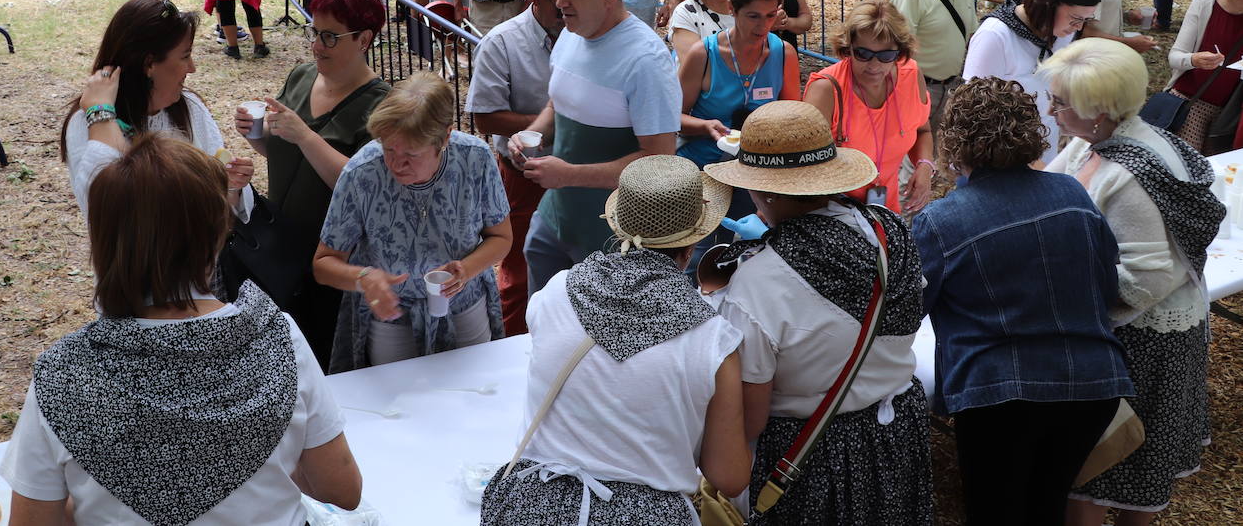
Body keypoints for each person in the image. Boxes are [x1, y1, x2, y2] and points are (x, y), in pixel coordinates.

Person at [2, 134, 364, 526]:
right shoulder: (276, 338)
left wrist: (90, 496)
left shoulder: (62, 373)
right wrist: (269, 454)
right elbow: (341, 490)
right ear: (214, 238)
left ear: (103, 242)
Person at [480, 155, 749, 525]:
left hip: (530, 505)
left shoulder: (557, 291)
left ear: (619, 227)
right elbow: (730, 476)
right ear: (693, 243)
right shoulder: (714, 341)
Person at [912, 77, 1133, 525]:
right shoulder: (1071, 193)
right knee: (1046, 505)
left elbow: (905, 310)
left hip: (1001, 394)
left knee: (997, 512)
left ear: (955, 142)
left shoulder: (940, 220)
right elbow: (1108, 285)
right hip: (1093, 384)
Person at [706, 100, 933, 526]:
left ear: (763, 189)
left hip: (813, 456)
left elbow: (751, 419)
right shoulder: (890, 232)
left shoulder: (757, 282)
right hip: (897, 431)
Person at [1042, 39, 1222, 526]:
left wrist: (1072, 312)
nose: (1052, 110)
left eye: (1061, 101)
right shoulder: (1096, 137)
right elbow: (1051, 187)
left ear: (1099, 109)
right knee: (1106, 461)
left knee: (1109, 461)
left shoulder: (1130, 174)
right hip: (1131, 331)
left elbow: (1146, 278)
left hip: (1144, 340)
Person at [233, 0, 392, 365]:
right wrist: (256, 134)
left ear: (364, 39)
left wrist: (303, 134)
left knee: (321, 355)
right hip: (278, 246)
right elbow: (284, 151)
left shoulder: (382, 105)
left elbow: (359, 186)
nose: (317, 45)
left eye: (330, 37)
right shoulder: (303, 76)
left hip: (331, 259)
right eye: (313, 32)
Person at [313, 72, 512, 371]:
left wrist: (467, 269)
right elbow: (323, 263)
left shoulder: (475, 158)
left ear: (444, 138)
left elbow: (501, 238)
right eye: (389, 148)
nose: (395, 164)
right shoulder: (362, 172)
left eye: (411, 154)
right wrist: (363, 277)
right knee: (399, 405)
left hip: (465, 305)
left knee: (478, 390)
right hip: (393, 315)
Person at [512, 0, 680, 292]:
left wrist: (570, 175)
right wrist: (534, 133)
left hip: (612, 241)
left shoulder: (645, 60)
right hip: (554, 219)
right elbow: (558, 103)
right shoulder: (572, 34)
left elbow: (660, 160)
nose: (560, 2)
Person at [59, 0, 254, 218]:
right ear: (149, 64)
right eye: (185, 56)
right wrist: (101, 115)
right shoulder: (88, 123)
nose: (192, 68)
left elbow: (222, 202)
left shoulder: (190, 106)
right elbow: (107, 210)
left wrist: (232, 186)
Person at [465, 0, 563, 335]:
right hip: (524, 173)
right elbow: (486, 119)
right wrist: (551, 122)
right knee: (519, 269)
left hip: (576, 170)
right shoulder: (502, 42)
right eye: (560, 4)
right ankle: (513, 349)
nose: (568, 13)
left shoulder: (581, 33)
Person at [678, 0, 801, 221]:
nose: (763, 26)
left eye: (770, 15)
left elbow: (794, 122)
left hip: (756, 178)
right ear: (732, 9)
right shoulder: (703, 54)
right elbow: (670, 119)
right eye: (753, 16)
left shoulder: (783, 54)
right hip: (704, 173)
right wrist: (705, 126)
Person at [803, 0, 934, 215]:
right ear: (848, 48)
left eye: (885, 56)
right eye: (863, 54)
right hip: (833, 215)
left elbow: (923, 130)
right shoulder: (826, 91)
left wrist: (925, 164)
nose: (874, 66)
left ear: (900, 53)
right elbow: (804, 170)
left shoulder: (911, 75)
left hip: (885, 210)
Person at [963, 0, 1102, 164]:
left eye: (1085, 20)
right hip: (1000, 163)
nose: (1078, 27)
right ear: (1049, 3)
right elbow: (973, 115)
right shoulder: (995, 36)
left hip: (1043, 153)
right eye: (1075, 18)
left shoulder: (1059, 32)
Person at [890, 0, 991, 136]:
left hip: (951, 87)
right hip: (918, 90)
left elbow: (971, 32)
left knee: (937, 156)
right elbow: (896, 49)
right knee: (913, 156)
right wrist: (913, 91)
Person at [1159, 0, 1243, 152]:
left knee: (1219, 175)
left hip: (1230, 112)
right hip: (1191, 102)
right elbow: (1175, 57)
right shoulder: (1206, 1)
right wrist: (1193, 60)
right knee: (1187, 172)